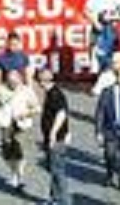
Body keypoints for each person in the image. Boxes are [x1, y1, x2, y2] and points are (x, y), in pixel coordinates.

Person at [0, 69, 39, 191]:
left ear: (20, 80)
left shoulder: (27, 91)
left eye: (15, 83)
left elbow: (37, 108)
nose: (13, 85)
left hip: (22, 125)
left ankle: (20, 176)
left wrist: (26, 113)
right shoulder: (0, 89)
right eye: (10, 82)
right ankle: (13, 173)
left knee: (20, 151)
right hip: (6, 124)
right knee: (7, 153)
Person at [37, 69, 71, 205]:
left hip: (56, 140)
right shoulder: (52, 92)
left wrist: (52, 134)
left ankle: (64, 201)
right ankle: (54, 198)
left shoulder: (55, 94)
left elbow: (61, 113)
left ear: (43, 81)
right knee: (53, 169)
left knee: (57, 171)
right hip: (56, 138)